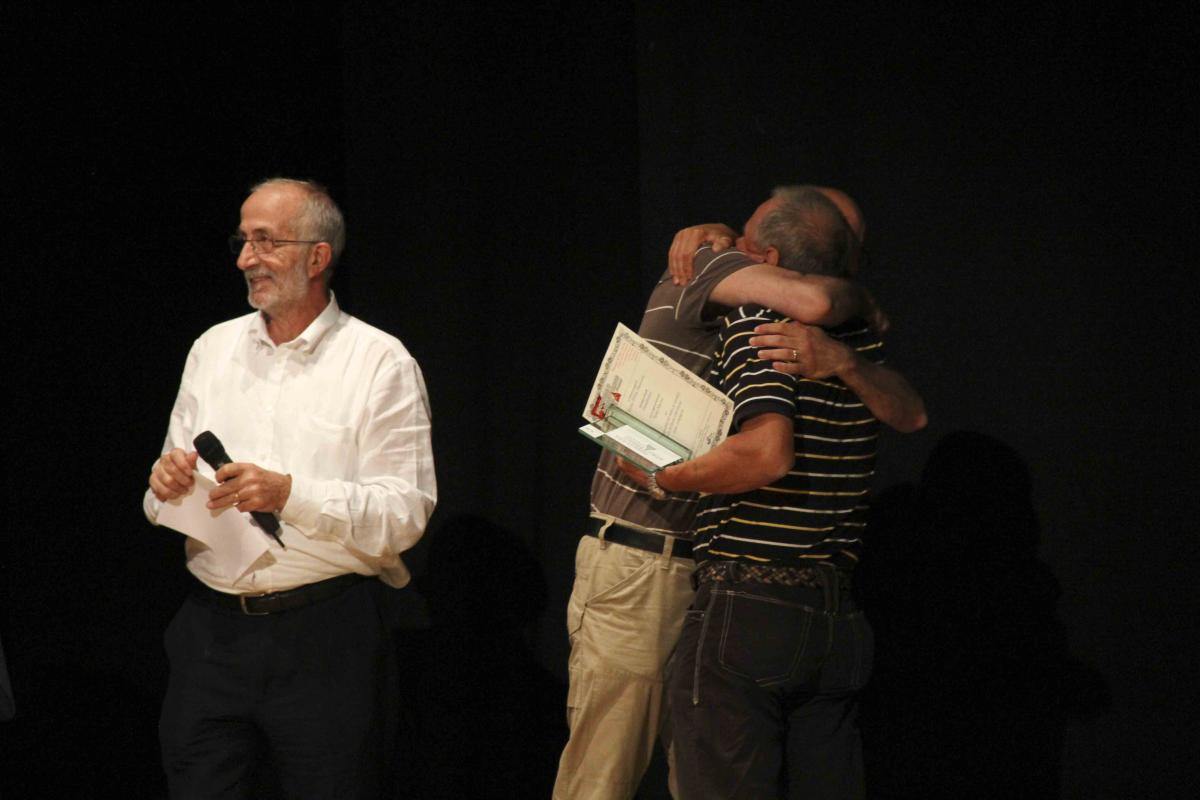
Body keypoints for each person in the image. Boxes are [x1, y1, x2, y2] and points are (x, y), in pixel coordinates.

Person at [554, 186, 923, 800]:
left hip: (726, 578)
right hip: (646, 559)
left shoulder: (821, 333)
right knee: (606, 777)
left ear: (773, 253)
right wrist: (856, 299)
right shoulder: (713, 264)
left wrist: (844, 343)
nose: (739, 244)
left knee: (706, 777)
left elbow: (898, 412)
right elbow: (815, 302)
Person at [143, 177, 436, 798]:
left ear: (317, 256)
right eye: (243, 241)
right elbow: (166, 484)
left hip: (325, 638)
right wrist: (162, 484)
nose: (246, 258)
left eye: (265, 241)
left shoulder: (378, 361)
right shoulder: (213, 348)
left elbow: (405, 513)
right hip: (211, 635)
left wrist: (288, 495)